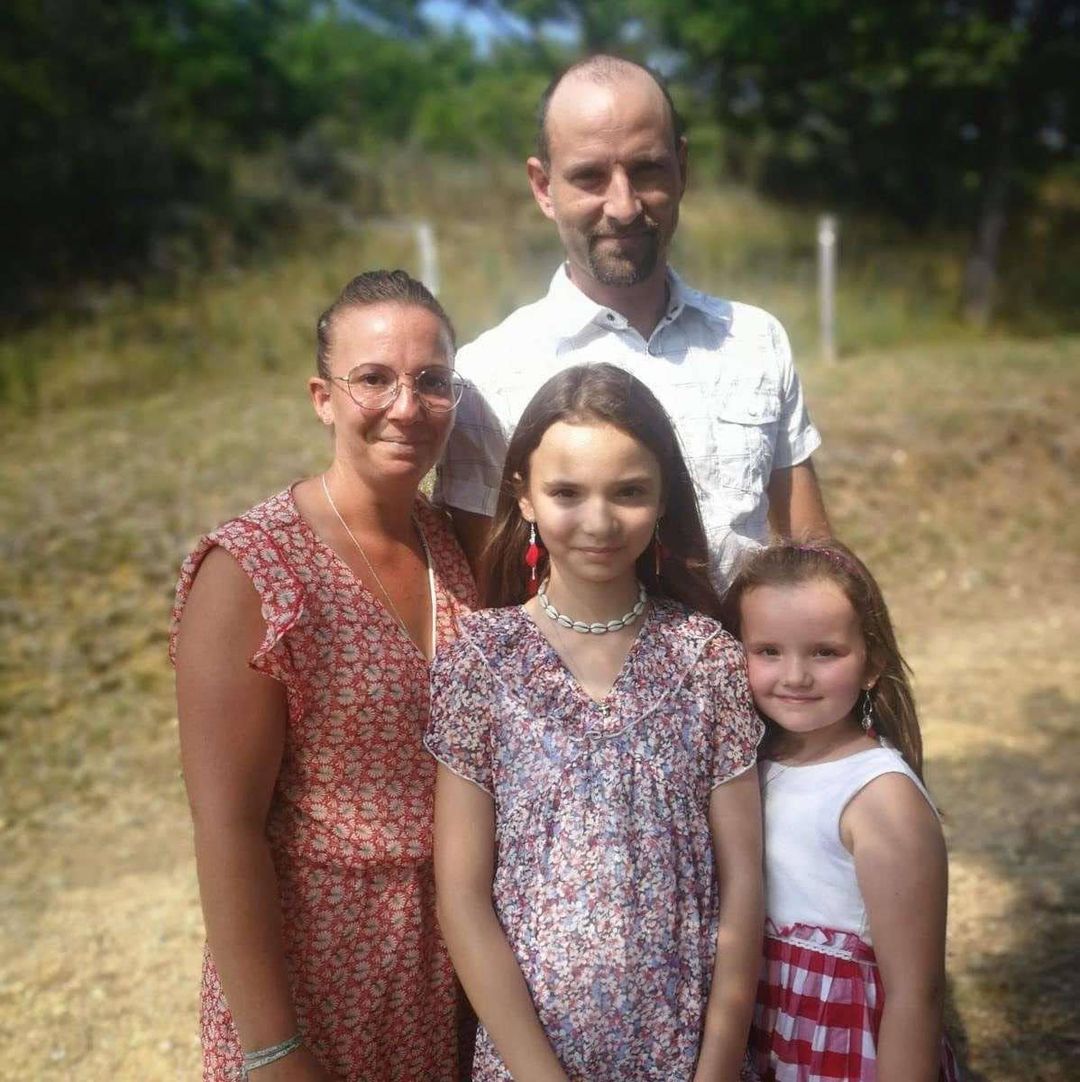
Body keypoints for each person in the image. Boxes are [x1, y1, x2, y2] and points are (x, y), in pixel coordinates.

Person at [170, 270, 477, 1081]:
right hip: (316, 971)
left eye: (432, 381)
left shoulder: (451, 546)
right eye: (373, 378)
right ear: (323, 398)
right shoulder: (254, 568)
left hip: (445, 969)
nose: (406, 407)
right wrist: (274, 1047)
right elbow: (226, 826)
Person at [426, 363, 765, 1081]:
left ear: (663, 498)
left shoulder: (706, 659)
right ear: (524, 494)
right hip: (530, 1061)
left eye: (630, 492)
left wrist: (715, 1069)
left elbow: (742, 887)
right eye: (567, 492)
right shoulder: (479, 661)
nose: (600, 522)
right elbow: (462, 897)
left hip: (683, 1057)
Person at [436, 54, 829, 588]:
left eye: (646, 170)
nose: (623, 206)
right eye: (590, 177)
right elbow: (488, 592)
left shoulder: (755, 341)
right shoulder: (486, 377)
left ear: (682, 169)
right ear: (543, 187)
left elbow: (814, 559)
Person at [722, 540, 959, 1081]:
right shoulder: (746, 765)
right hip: (759, 1035)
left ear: (872, 663)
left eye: (825, 653)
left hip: (843, 1049)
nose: (795, 676)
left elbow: (915, 994)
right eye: (768, 651)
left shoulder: (879, 797)